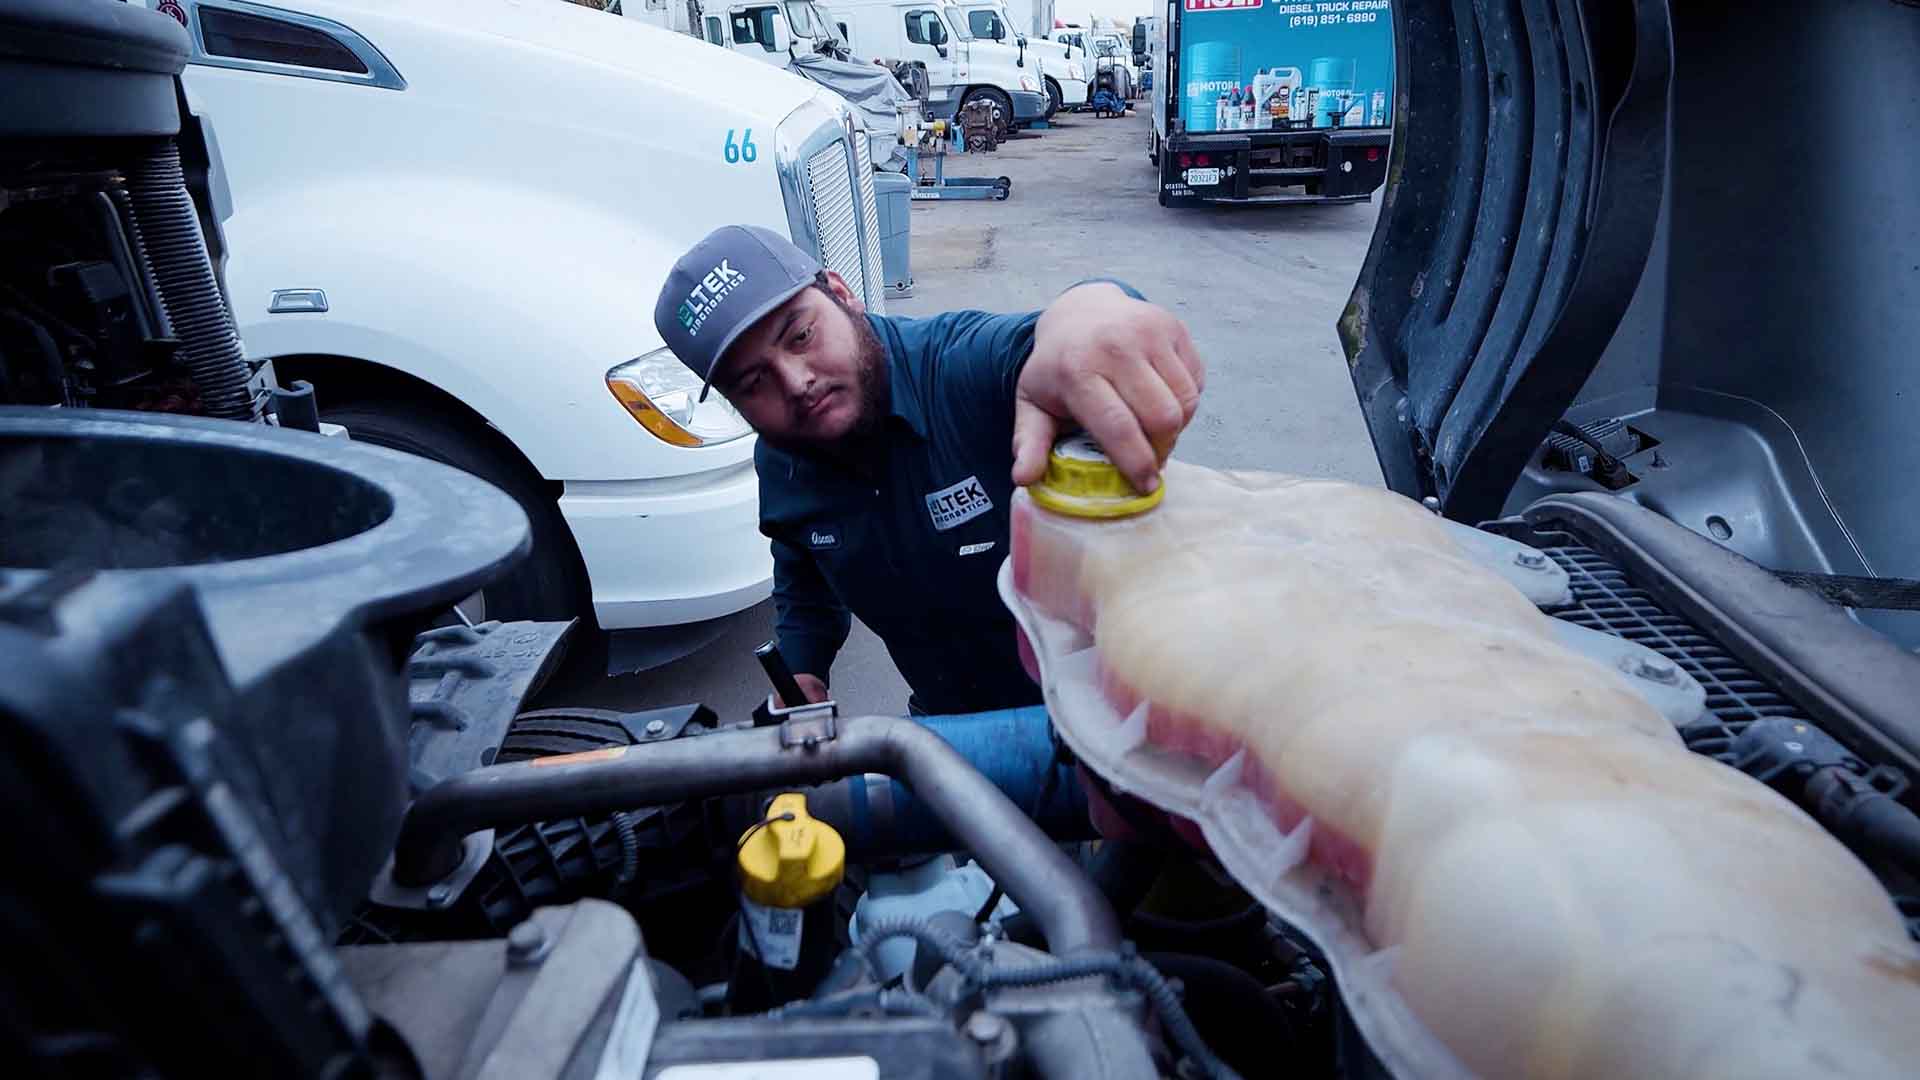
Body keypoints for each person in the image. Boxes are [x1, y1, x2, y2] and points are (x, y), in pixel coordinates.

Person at [653, 225, 1203, 716]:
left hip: (1111, 716)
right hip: (945, 726)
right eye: (754, 383)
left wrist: (1094, 317)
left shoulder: (959, 371)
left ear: (842, 295)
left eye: (800, 336)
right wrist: (802, 671)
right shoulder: (783, 465)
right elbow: (805, 574)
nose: (796, 382)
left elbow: (1044, 339)